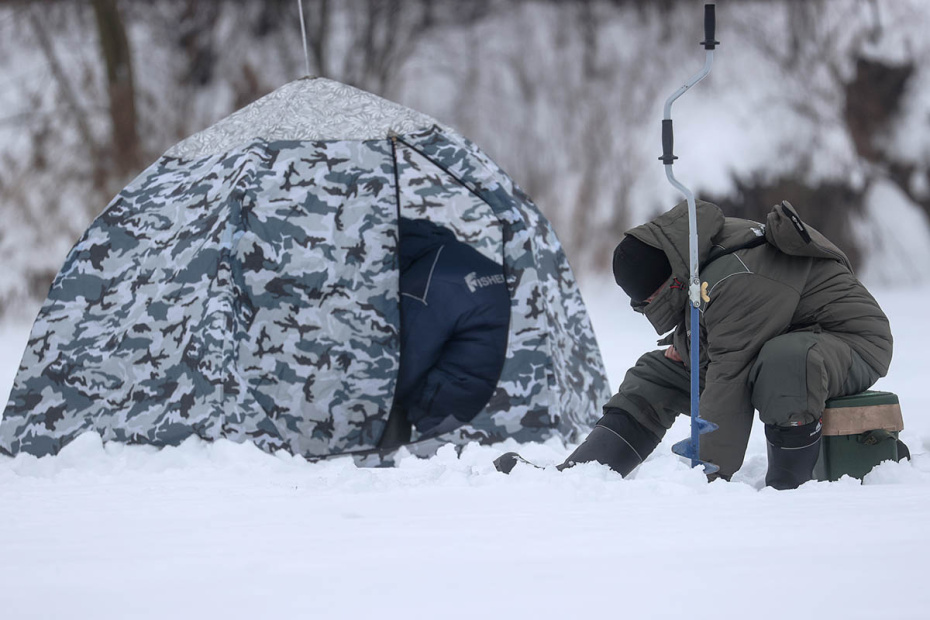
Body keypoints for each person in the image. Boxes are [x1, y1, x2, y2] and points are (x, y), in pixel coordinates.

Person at [557, 199, 893, 489]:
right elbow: (715, 323)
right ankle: (582, 473)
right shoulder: (694, 249)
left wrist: (706, 477)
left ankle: (788, 490)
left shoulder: (736, 276)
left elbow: (730, 371)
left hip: (853, 343)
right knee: (658, 371)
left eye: (651, 300)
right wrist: (685, 346)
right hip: (777, 337)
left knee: (785, 363)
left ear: (668, 282)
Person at [378, 217, 510, 450]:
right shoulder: (458, 254)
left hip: (456, 408)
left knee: (385, 394)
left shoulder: (422, 281)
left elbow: (404, 364)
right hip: (510, 390)